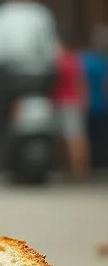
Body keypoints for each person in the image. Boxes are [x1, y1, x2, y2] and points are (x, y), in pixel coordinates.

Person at [0, 0, 58, 154]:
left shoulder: (1, 16)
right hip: (42, 79)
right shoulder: (41, 14)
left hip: (11, 79)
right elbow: (53, 51)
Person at [51, 41, 89, 179]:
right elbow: (80, 81)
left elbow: (78, 81)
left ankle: (76, 169)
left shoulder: (61, 62)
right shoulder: (71, 60)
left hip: (66, 102)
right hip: (66, 102)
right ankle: (75, 169)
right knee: (72, 137)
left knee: (72, 138)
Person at [79, 25, 108, 170]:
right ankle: (100, 162)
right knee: (101, 136)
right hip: (101, 105)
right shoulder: (103, 61)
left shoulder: (81, 59)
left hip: (85, 104)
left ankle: (89, 164)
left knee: (86, 136)